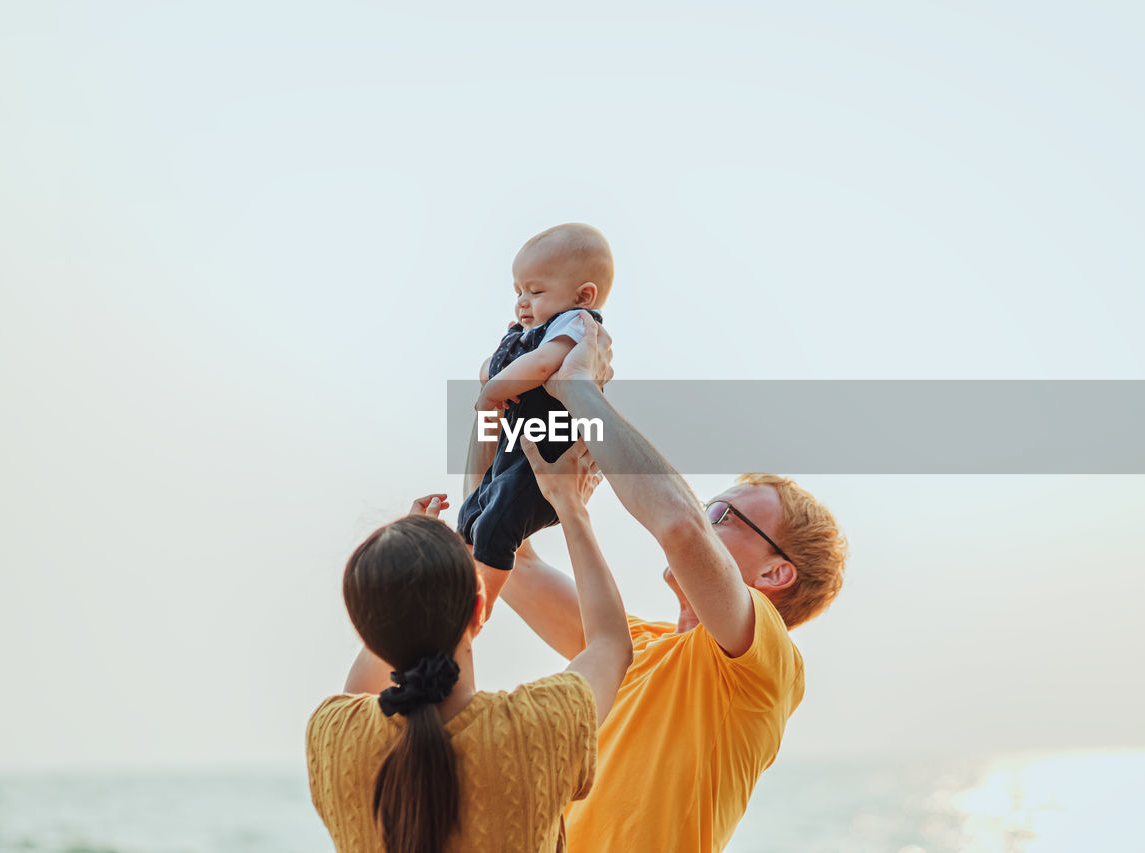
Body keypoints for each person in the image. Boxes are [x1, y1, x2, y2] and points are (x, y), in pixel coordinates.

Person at [496, 317, 849, 853]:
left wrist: (580, 391)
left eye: (722, 515)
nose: (703, 520)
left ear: (775, 573)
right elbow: (508, 561)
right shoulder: (633, 645)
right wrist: (504, 401)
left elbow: (680, 528)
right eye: (708, 508)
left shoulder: (767, 666)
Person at [305, 437, 632, 853]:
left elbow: (609, 645)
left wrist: (405, 566)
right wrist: (571, 506)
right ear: (481, 605)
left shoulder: (333, 734)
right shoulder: (538, 726)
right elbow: (612, 645)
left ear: (366, 626)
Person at [457, 222, 615, 608]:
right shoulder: (533, 330)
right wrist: (496, 373)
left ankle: (480, 607)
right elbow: (494, 367)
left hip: (543, 468)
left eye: (536, 291)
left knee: (497, 526)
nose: (522, 301)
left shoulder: (576, 325)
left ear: (583, 295)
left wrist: (493, 390)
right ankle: (460, 587)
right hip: (515, 454)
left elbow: (544, 363)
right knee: (471, 514)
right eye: (518, 291)